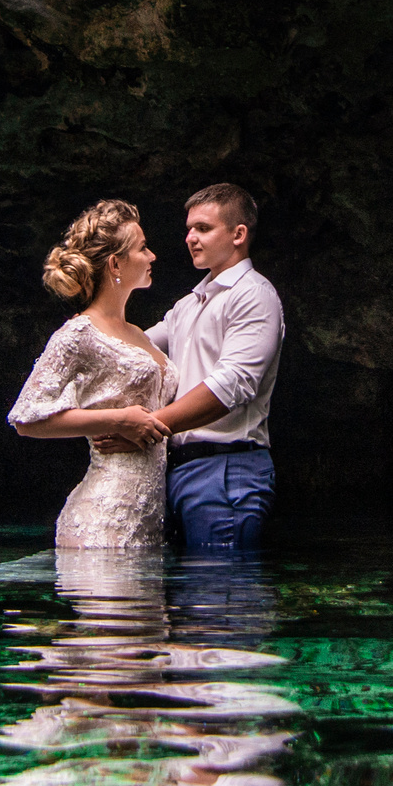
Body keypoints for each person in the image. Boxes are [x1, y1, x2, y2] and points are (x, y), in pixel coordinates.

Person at [99, 183, 284, 549]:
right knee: (188, 597)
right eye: (188, 229)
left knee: (219, 595)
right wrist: (90, 319)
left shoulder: (255, 295)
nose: (190, 238)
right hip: (177, 468)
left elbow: (232, 384)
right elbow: (133, 349)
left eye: (203, 228)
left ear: (238, 234)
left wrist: (147, 427)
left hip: (227, 467)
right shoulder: (187, 305)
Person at [7, 200, 178, 548]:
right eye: (143, 248)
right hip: (104, 517)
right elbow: (26, 418)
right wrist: (118, 420)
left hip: (149, 516)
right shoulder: (79, 334)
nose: (153, 256)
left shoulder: (140, 334)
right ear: (116, 263)